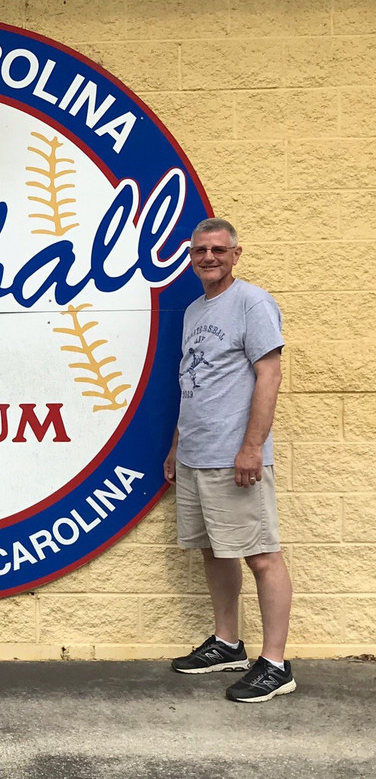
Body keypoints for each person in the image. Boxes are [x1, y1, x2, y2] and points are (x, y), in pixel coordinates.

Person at [164, 217, 295, 703]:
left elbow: (270, 375)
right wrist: (178, 446)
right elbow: (191, 382)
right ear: (191, 254)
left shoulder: (252, 303)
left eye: (219, 249)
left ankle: (276, 664)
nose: (209, 258)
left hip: (234, 454)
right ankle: (226, 643)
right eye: (201, 250)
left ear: (236, 254)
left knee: (260, 554)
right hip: (198, 453)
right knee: (214, 551)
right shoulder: (196, 309)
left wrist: (252, 446)